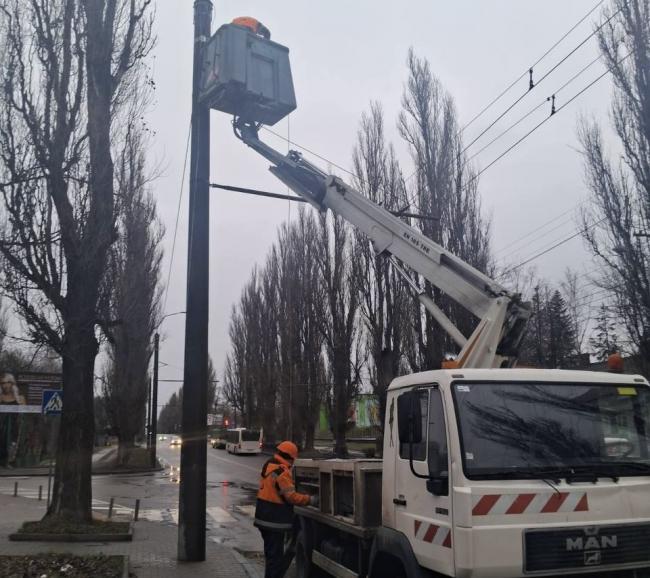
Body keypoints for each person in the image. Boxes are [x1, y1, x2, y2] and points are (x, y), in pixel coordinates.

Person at [254, 440, 317, 578]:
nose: (293, 463)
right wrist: (310, 499)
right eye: (293, 459)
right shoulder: (282, 472)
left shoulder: (269, 465)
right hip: (274, 521)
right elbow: (292, 497)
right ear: (289, 457)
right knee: (275, 561)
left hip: (262, 518)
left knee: (271, 558)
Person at [0, 372, 25, 468]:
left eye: (8, 382)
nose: (5, 385)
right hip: (2, 426)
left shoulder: (20, 399)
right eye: (2, 383)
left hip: (15, 426)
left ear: (12, 383)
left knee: (13, 444)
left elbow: (24, 413)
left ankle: (10, 462)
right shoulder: (0, 397)